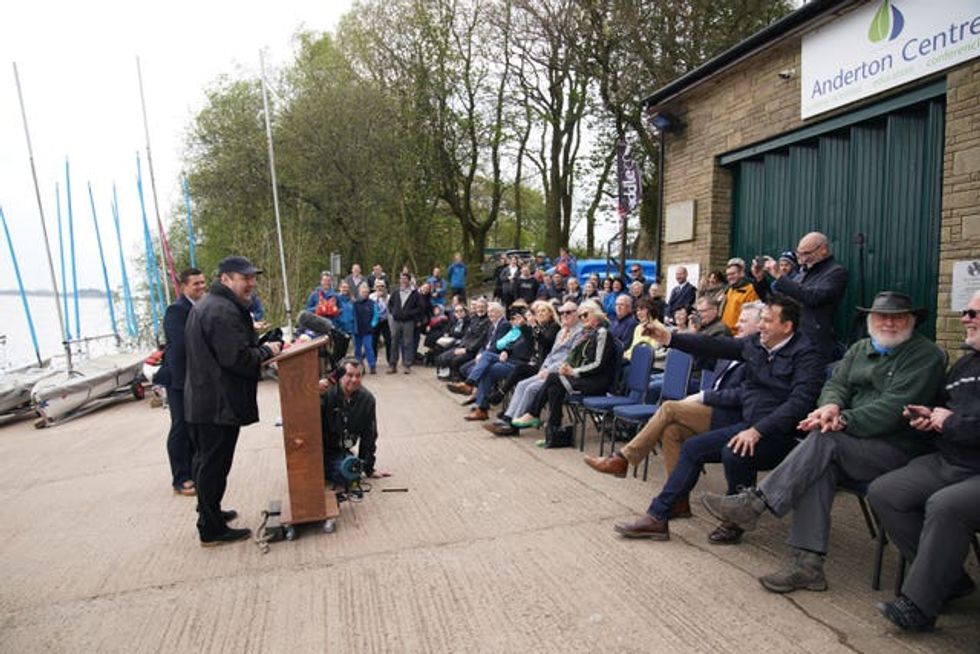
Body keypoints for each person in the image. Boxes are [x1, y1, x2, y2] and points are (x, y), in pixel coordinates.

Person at [701, 291, 947, 593]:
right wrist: (829, 407)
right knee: (817, 468)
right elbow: (836, 385)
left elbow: (895, 408)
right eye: (882, 317)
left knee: (824, 442)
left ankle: (755, 503)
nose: (890, 323)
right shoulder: (860, 348)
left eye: (898, 318)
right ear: (870, 320)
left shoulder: (926, 356)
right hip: (851, 445)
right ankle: (807, 567)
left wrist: (842, 420)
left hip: (897, 450)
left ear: (912, 321)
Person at [612, 295, 824, 542]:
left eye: (767, 320)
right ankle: (657, 517)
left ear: (787, 327)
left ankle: (734, 522)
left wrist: (758, 431)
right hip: (747, 424)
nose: (761, 325)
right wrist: (671, 338)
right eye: (762, 319)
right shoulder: (757, 344)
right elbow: (714, 346)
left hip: (779, 435)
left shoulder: (808, 355)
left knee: (734, 453)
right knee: (693, 447)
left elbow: (799, 403)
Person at [869, 290, 980, 632]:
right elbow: (943, 406)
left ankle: (919, 606)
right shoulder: (965, 364)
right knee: (884, 492)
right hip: (948, 460)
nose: (966, 318)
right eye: (966, 311)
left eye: (975, 313)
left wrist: (948, 422)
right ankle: (949, 579)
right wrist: (927, 417)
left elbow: (960, 421)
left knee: (945, 506)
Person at [585, 303, 763, 509]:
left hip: (731, 416)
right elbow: (706, 362)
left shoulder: (757, 354)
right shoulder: (735, 347)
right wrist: (691, 337)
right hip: (713, 411)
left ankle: (623, 458)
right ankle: (678, 500)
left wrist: (704, 396)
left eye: (744, 320)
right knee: (671, 431)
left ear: (760, 326)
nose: (737, 323)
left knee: (669, 408)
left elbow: (744, 395)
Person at [184, 256, 282, 546]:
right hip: (217, 403)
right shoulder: (221, 311)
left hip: (207, 399)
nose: (251, 283)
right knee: (214, 465)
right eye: (245, 278)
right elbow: (236, 358)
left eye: (252, 278)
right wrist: (267, 350)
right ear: (226, 279)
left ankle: (210, 511)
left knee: (208, 463)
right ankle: (211, 528)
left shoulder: (214, 305)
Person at [511, 300, 615, 448]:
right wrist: (567, 367)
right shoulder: (587, 333)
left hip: (596, 381)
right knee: (554, 388)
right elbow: (577, 357)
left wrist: (574, 371)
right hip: (584, 376)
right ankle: (554, 436)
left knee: (553, 378)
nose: (582, 319)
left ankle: (533, 413)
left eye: (585, 315)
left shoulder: (602, 333)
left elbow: (598, 364)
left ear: (596, 315)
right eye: (580, 316)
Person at [484, 301, 582, 436]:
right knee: (522, 384)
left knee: (530, 387)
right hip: (545, 368)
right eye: (562, 313)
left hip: (560, 373)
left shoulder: (578, 332)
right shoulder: (563, 331)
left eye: (568, 312)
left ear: (577, 314)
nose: (564, 315)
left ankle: (512, 426)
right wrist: (544, 367)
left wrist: (549, 370)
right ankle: (508, 418)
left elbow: (569, 358)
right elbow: (551, 354)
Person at [755, 232, 848, 360]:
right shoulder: (802, 273)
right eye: (799, 253)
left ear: (824, 250)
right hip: (791, 339)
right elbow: (777, 302)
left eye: (806, 253)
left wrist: (779, 277)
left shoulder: (836, 273)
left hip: (814, 344)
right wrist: (760, 280)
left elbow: (813, 297)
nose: (801, 258)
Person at [156, 267, 206, 497]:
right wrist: (182, 383)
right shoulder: (176, 311)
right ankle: (181, 477)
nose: (201, 287)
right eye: (196, 284)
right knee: (180, 427)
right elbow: (179, 348)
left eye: (203, 283)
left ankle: (195, 471)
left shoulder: (201, 307)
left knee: (195, 426)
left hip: (196, 378)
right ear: (184, 286)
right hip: (178, 379)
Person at [321, 358, 388, 487]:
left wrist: (368, 468)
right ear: (340, 376)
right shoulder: (326, 394)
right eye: (349, 375)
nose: (354, 380)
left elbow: (370, 435)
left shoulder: (367, 399)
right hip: (320, 449)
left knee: (351, 473)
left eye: (358, 376)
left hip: (341, 450)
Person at [436, 298, 490, 381]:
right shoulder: (474, 318)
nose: (480, 309)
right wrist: (461, 346)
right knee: (443, 356)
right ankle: (448, 374)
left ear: (487, 308)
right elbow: (467, 335)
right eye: (478, 307)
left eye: (482, 307)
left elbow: (481, 340)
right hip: (464, 346)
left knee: (455, 360)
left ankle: (457, 378)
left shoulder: (488, 321)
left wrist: (467, 349)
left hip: (474, 350)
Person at [387, 273, 423, 374]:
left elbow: (420, 307)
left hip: (408, 322)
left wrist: (410, 313)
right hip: (396, 321)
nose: (402, 280)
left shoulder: (415, 293)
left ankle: (407, 365)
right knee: (394, 343)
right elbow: (390, 304)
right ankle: (392, 365)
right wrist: (393, 312)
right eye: (401, 278)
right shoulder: (396, 292)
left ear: (409, 280)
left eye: (405, 279)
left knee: (408, 343)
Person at [720, 258, 759, 333]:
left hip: (738, 333)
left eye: (733, 274)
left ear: (742, 273)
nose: (730, 277)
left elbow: (752, 315)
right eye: (728, 275)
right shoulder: (730, 289)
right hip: (725, 332)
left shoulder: (751, 290)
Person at [352, 283, 379, 373]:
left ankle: (372, 365)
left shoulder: (372, 303)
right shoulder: (355, 303)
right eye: (363, 292)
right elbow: (352, 316)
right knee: (357, 349)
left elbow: (376, 315)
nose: (365, 293)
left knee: (368, 348)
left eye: (366, 292)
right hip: (357, 330)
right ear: (359, 292)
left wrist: (372, 325)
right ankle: (359, 366)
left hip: (368, 330)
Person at [370, 281, 391, 363]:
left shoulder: (389, 297)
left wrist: (384, 297)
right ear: (375, 287)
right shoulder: (371, 296)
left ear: (385, 287)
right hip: (375, 321)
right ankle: (373, 360)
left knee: (388, 341)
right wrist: (377, 298)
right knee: (374, 341)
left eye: (382, 286)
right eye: (378, 286)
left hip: (386, 321)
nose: (380, 287)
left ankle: (390, 360)